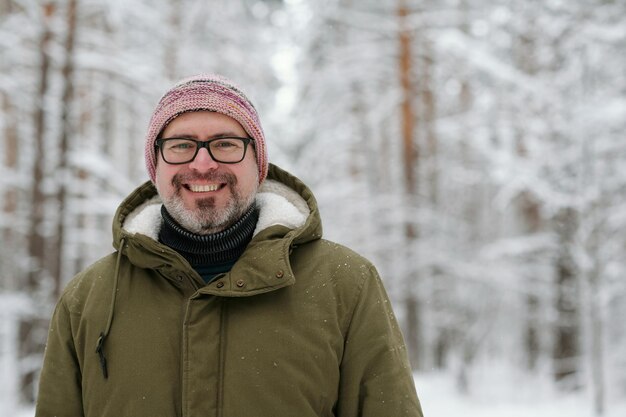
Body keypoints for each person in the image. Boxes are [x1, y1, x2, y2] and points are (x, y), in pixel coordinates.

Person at [35, 74, 423, 417]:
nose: (203, 164)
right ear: (156, 165)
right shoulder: (88, 299)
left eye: (225, 144)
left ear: (258, 162)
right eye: (181, 145)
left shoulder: (347, 285)